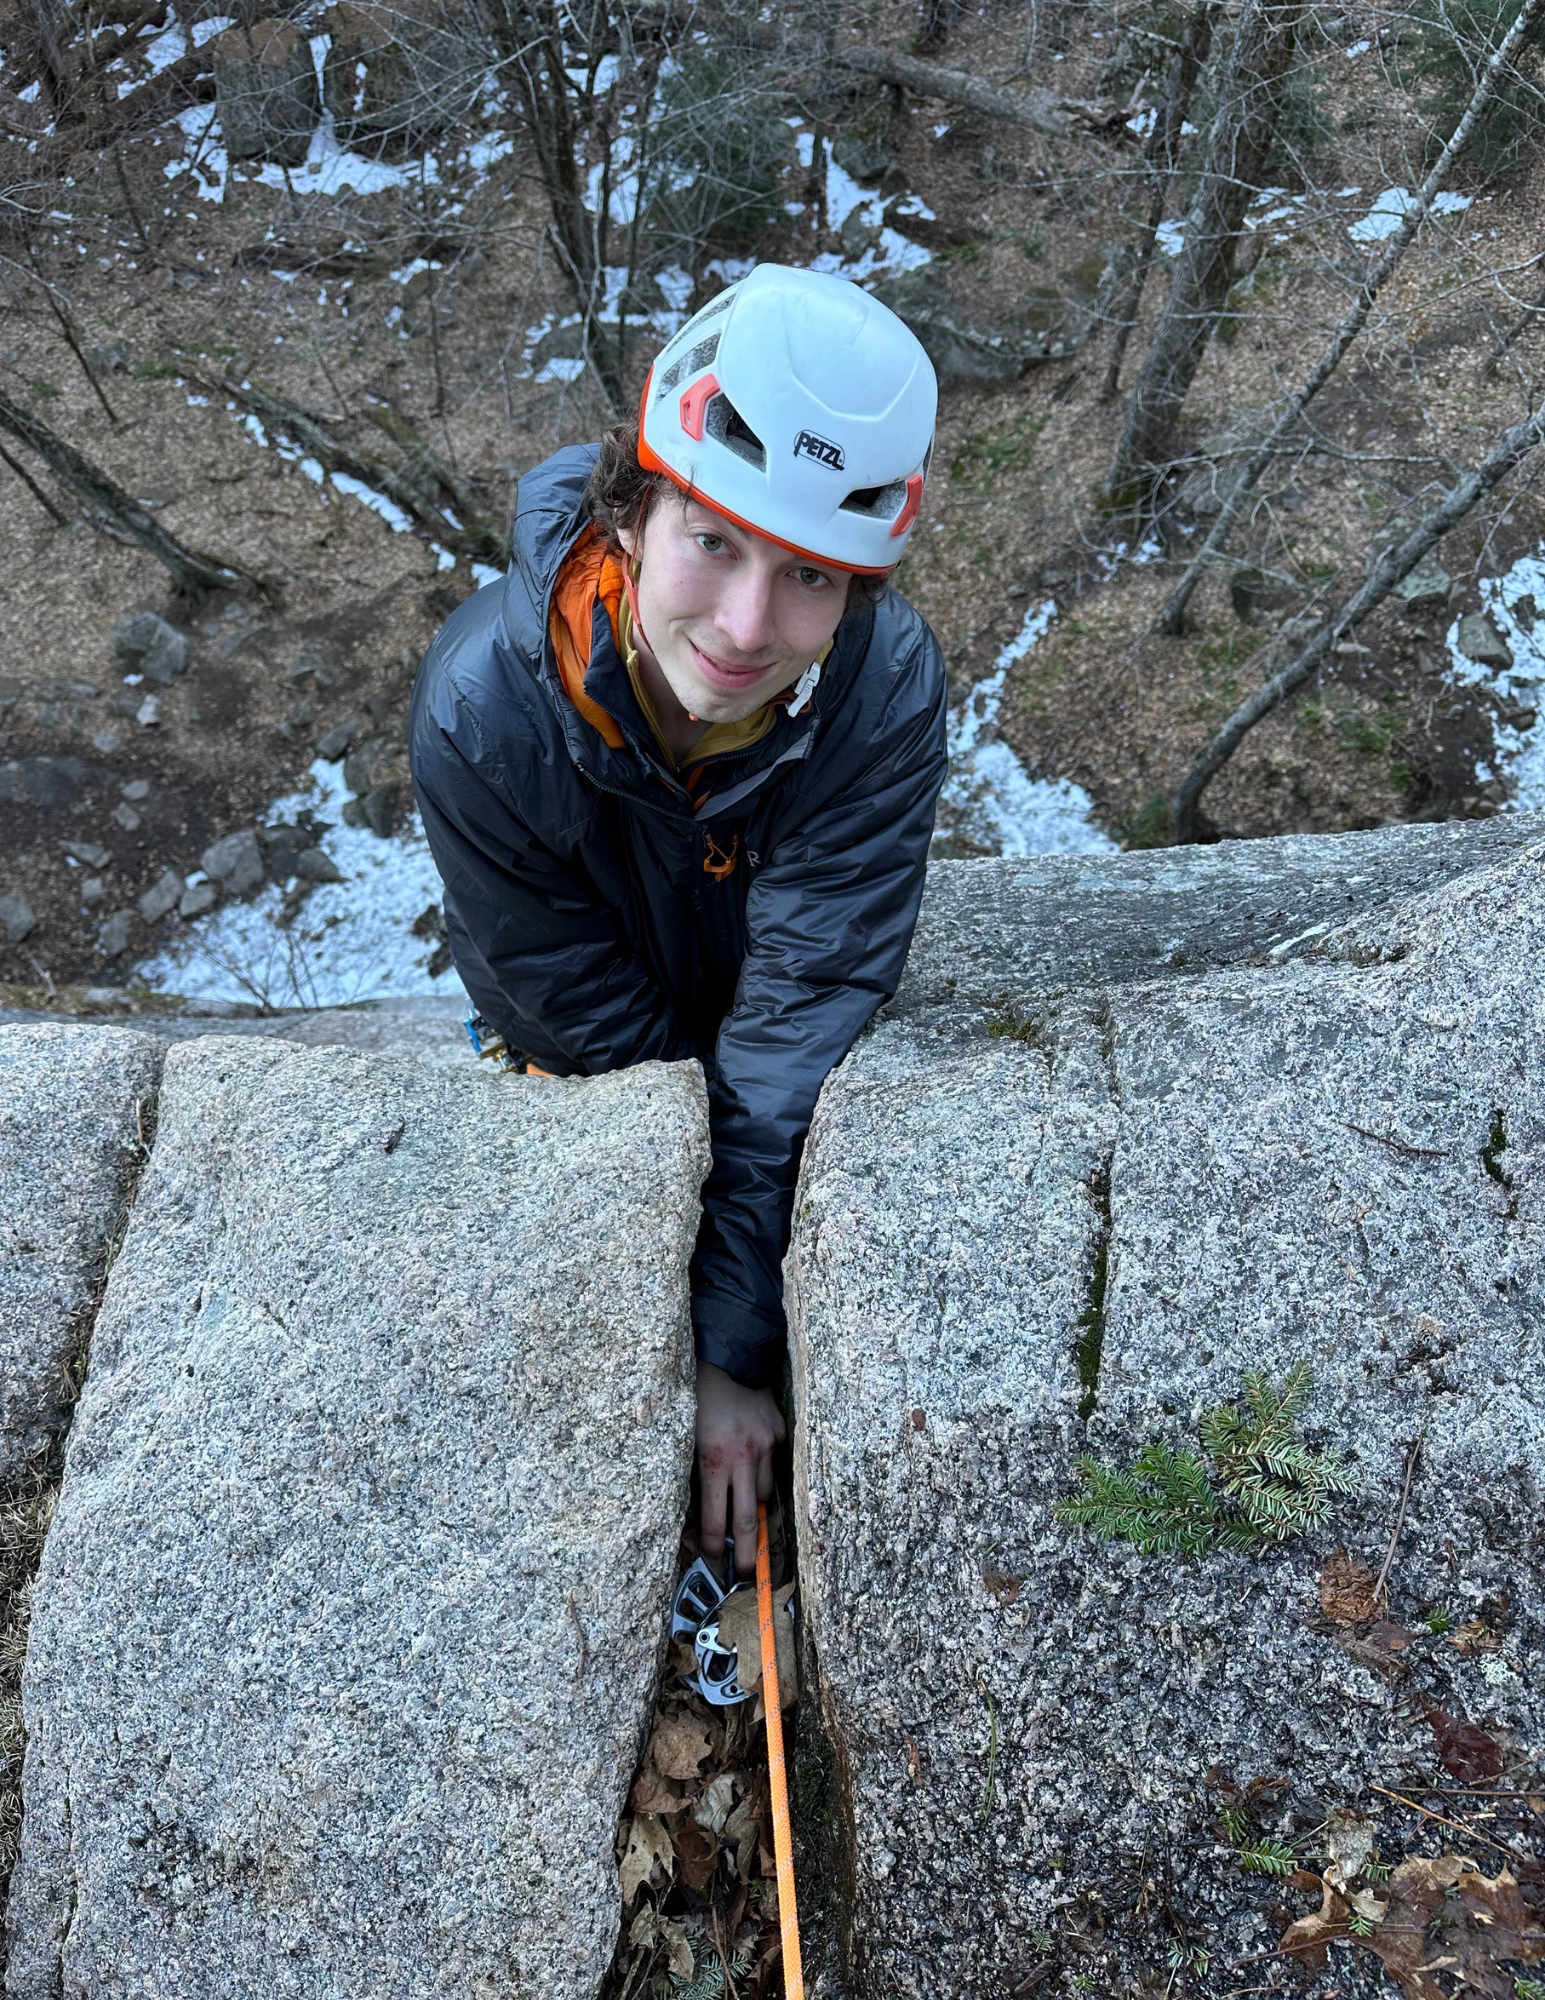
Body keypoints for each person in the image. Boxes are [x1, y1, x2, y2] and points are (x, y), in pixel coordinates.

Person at [408, 263, 946, 1571]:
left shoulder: (880, 695)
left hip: (764, 1042)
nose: (750, 628)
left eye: (812, 577)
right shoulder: (488, 717)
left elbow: (795, 1023)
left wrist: (735, 1341)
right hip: (590, 1049)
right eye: (714, 541)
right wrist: (696, 1351)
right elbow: (598, 1038)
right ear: (634, 508)